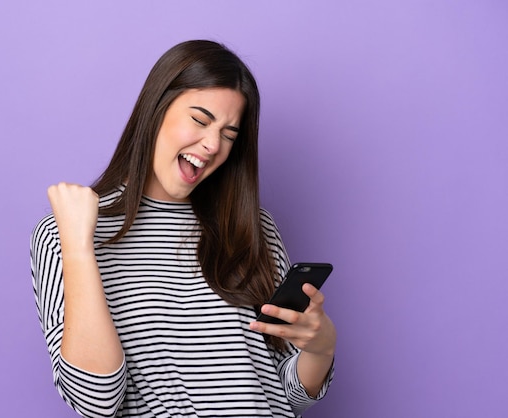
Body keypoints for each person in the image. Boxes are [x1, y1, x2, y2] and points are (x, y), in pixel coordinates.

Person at [31, 39, 335, 418]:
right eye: (200, 120)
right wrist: (78, 247)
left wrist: (320, 347)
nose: (212, 145)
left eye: (228, 135)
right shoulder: (70, 230)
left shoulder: (253, 227)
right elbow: (97, 401)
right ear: (156, 110)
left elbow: (286, 394)